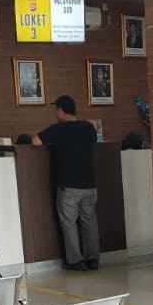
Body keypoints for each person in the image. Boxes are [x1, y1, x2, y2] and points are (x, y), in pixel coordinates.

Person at [33, 95, 100, 271]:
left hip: (69, 185)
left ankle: (75, 261)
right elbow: (94, 140)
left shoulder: (58, 129)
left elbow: (35, 141)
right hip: (89, 184)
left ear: (61, 111)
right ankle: (93, 259)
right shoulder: (88, 128)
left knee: (69, 223)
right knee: (90, 222)